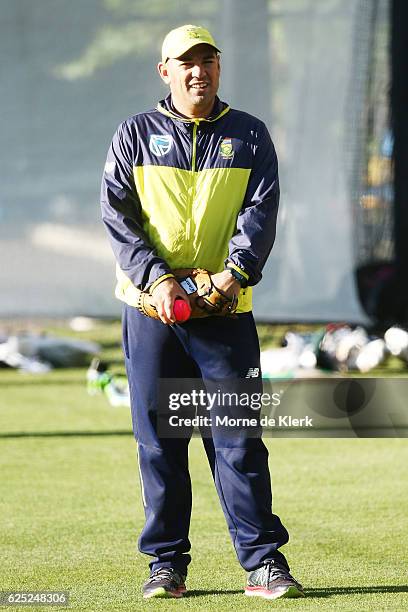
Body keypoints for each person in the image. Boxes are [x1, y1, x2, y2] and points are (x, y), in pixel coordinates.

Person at [100, 24, 304, 601]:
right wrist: (157, 279)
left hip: (225, 312)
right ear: (164, 72)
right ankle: (166, 566)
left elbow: (260, 214)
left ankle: (263, 564)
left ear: (219, 68)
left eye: (207, 61)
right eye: (185, 63)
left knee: (238, 442)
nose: (198, 71)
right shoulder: (135, 134)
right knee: (161, 444)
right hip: (152, 314)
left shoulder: (249, 134)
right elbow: (118, 216)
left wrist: (232, 276)